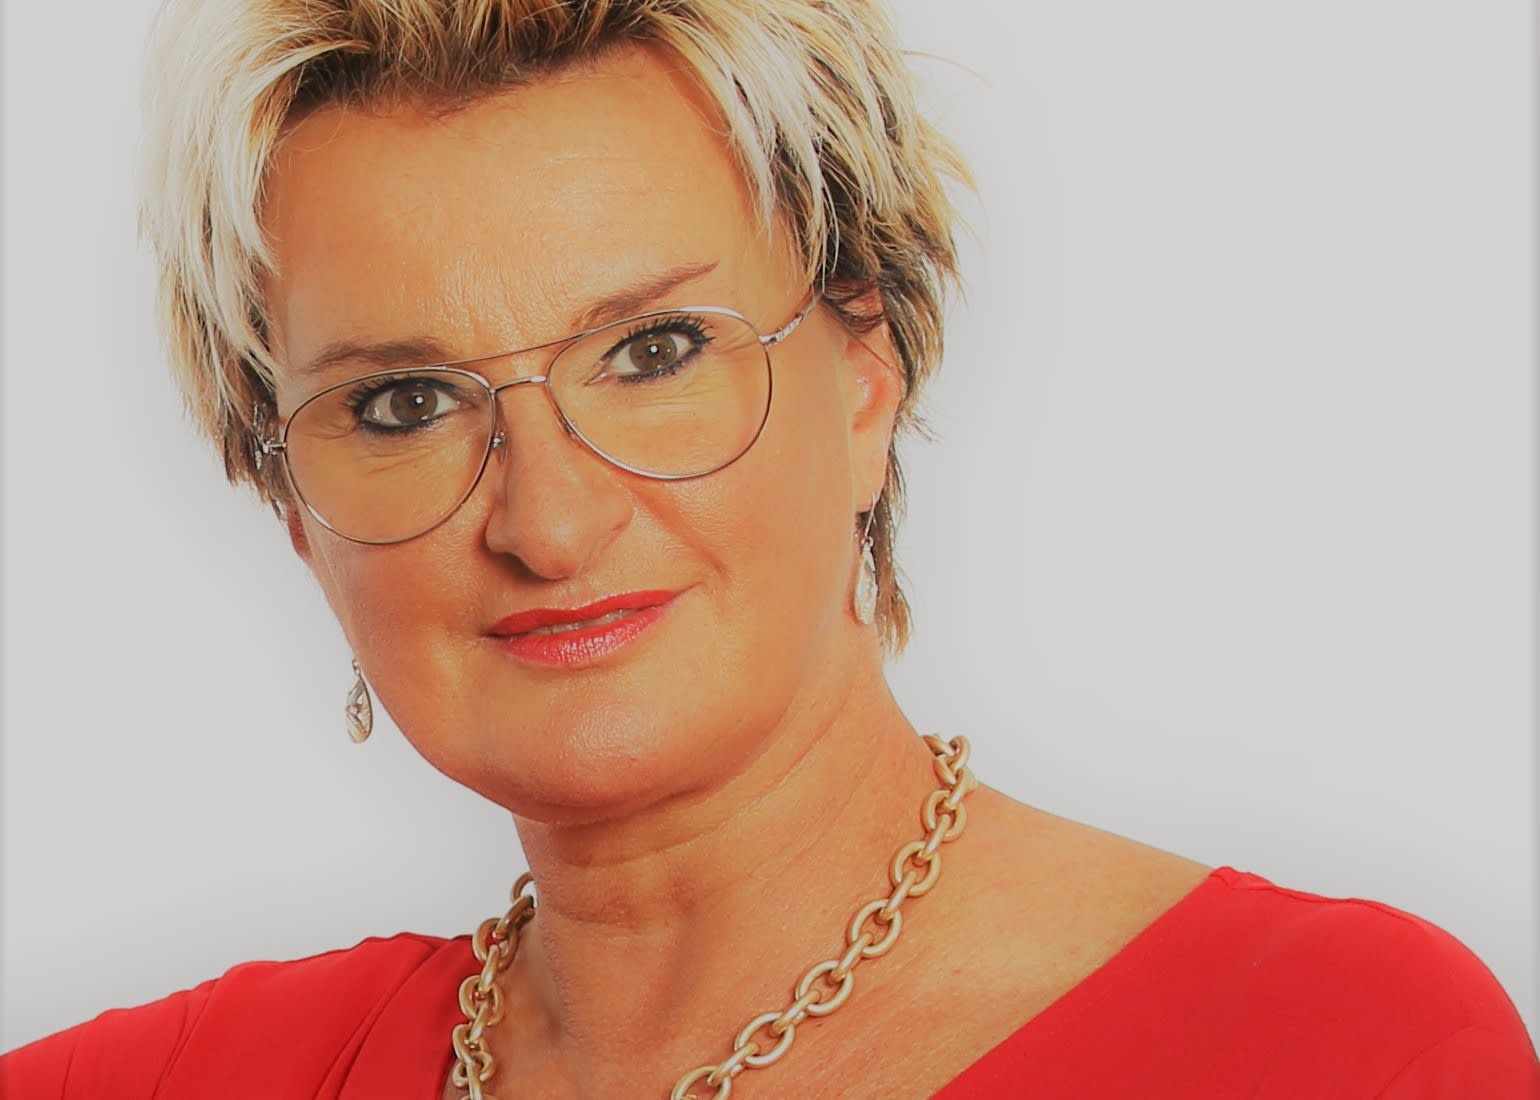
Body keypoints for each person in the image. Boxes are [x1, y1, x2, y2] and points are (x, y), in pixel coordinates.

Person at [3, 0, 1537, 1097]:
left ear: (867, 377)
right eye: (402, 403)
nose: (549, 520)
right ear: (290, 510)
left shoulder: (1337, 1050)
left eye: (655, 351)